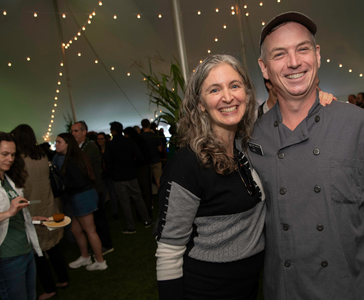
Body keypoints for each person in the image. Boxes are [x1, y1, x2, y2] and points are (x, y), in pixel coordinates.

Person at [252, 11, 364, 299]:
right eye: (279, 54)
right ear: (264, 68)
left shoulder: (358, 123)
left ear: (317, 54)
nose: (295, 62)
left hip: (354, 286)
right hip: (286, 289)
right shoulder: (252, 137)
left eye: (303, 49)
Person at [155, 54, 268, 300]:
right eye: (214, 90)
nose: (228, 97)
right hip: (207, 291)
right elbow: (169, 251)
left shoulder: (247, 148)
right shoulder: (187, 165)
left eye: (234, 85)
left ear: (247, 94)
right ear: (200, 104)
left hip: (247, 288)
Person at [11, 125, 69, 300]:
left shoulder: (18, 160)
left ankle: (50, 288)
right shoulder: (42, 155)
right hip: (49, 204)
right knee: (54, 246)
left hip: (31, 209)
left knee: (39, 251)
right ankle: (63, 279)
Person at [0, 132, 48, 300]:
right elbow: (9, 213)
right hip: (7, 256)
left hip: (25, 249)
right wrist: (8, 212)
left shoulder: (8, 179)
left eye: (13, 154)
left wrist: (34, 220)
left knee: (31, 295)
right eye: (4, 154)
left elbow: (15, 216)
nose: (10, 159)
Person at [55, 133, 107, 271]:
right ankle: (85, 257)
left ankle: (100, 261)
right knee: (75, 229)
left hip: (82, 196)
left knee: (90, 230)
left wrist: (63, 186)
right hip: (81, 196)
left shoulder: (72, 160)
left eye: (59, 142)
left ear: (68, 144)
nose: (56, 144)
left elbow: (78, 182)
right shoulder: (73, 157)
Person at [71, 121, 114, 255]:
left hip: (95, 188)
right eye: (72, 131)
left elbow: (83, 167)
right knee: (91, 221)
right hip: (87, 189)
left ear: (84, 132)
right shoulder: (78, 148)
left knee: (99, 219)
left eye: (76, 131)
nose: (73, 134)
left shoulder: (90, 147)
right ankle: (97, 245)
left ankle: (106, 244)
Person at [104, 122, 152, 234]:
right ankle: (147, 221)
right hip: (131, 174)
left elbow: (107, 162)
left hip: (118, 177)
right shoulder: (129, 142)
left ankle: (131, 226)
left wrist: (112, 172)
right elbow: (140, 156)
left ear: (114, 131)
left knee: (125, 203)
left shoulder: (110, 145)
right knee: (138, 198)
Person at [96, 132, 119, 220]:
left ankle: (114, 212)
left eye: (102, 138)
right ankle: (102, 212)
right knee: (101, 195)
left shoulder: (109, 149)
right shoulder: (96, 150)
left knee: (113, 194)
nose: (100, 140)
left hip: (109, 175)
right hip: (101, 176)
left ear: (105, 139)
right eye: (98, 139)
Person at [140, 119, 162, 189]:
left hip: (145, 162)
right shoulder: (154, 135)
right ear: (149, 125)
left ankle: (149, 197)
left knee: (147, 181)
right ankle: (161, 196)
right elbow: (160, 149)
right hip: (156, 160)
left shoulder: (140, 137)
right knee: (159, 180)